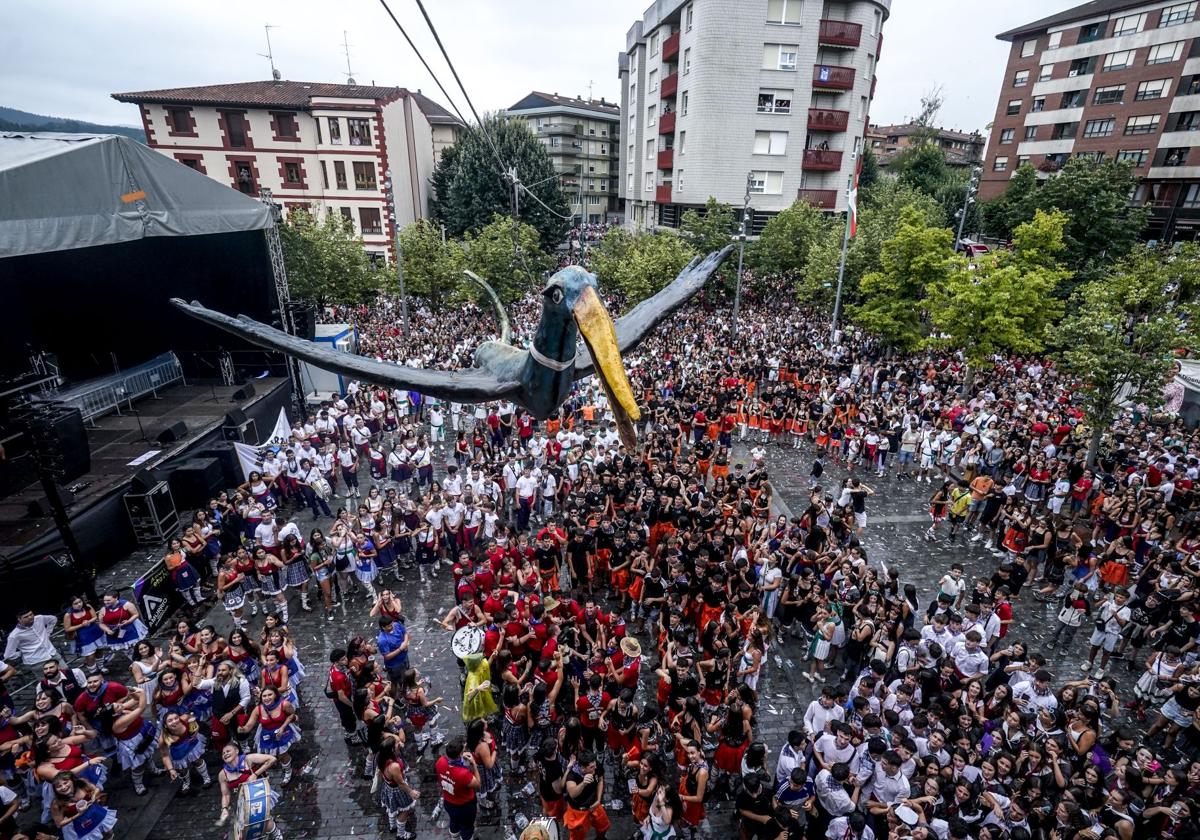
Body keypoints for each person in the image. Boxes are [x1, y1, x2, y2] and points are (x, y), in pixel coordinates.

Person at [435, 737, 481, 840]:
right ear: (460, 754)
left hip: (449, 802)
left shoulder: (440, 762)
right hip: (465, 807)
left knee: (454, 821)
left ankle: (454, 838)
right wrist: (474, 764)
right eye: (463, 751)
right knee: (467, 827)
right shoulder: (463, 774)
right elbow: (477, 784)